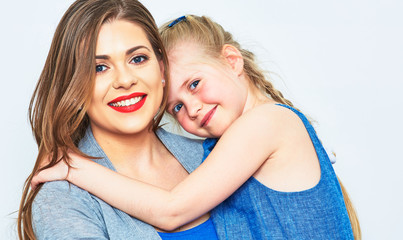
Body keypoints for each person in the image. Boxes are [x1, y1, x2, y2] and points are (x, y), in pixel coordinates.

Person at [32, 14, 361, 239]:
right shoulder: (64, 202)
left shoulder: (266, 123)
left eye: (195, 84)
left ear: (232, 61)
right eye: (176, 107)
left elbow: (172, 209)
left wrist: (77, 169)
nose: (193, 108)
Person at [18, 1, 222, 240]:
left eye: (137, 59)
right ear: (73, 87)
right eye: (99, 68)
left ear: (162, 69)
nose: (124, 80)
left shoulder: (217, 154)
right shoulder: (62, 197)